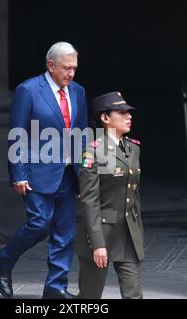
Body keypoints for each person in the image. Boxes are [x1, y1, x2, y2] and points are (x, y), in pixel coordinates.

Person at [0, 42, 88, 299]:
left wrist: (85, 172)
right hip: (36, 172)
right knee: (39, 224)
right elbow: (18, 134)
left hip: (69, 173)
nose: (71, 74)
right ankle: (3, 260)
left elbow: (81, 133)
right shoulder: (29, 90)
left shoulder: (78, 91)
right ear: (51, 65)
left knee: (65, 232)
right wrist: (18, 173)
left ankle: (56, 287)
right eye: (66, 68)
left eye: (75, 68)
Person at [75, 91, 145, 299]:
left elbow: (134, 196)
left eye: (129, 112)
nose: (128, 116)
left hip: (128, 235)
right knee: (90, 296)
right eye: (121, 112)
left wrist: (138, 234)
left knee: (134, 294)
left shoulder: (133, 149)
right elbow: (89, 200)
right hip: (101, 234)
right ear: (105, 118)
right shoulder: (93, 152)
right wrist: (97, 244)